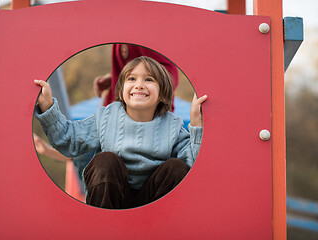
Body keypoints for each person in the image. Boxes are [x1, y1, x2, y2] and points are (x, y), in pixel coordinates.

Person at [34, 56, 207, 209]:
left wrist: (197, 123)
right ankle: (103, 224)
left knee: (176, 168)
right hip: (111, 198)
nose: (139, 85)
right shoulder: (107, 117)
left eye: (149, 79)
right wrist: (48, 106)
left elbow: (192, 165)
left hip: (153, 202)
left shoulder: (172, 126)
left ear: (162, 94)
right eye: (132, 78)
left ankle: (161, 228)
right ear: (122, 92)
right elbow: (69, 139)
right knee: (105, 160)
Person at [94, 44, 179, 110]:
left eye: (148, 80)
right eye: (132, 79)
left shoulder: (145, 32)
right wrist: (113, 79)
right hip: (117, 117)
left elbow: (170, 75)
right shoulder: (120, 36)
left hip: (149, 121)